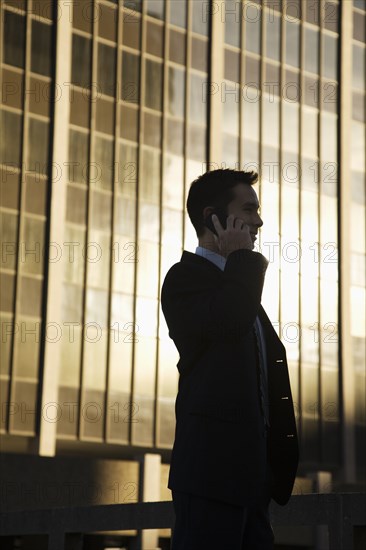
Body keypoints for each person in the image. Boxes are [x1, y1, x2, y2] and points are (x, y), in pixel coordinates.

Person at [160, 169, 299, 549]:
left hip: (252, 485)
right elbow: (228, 324)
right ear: (213, 217)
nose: (259, 220)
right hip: (209, 479)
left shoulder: (240, 285)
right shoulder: (183, 279)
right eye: (249, 209)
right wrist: (241, 259)